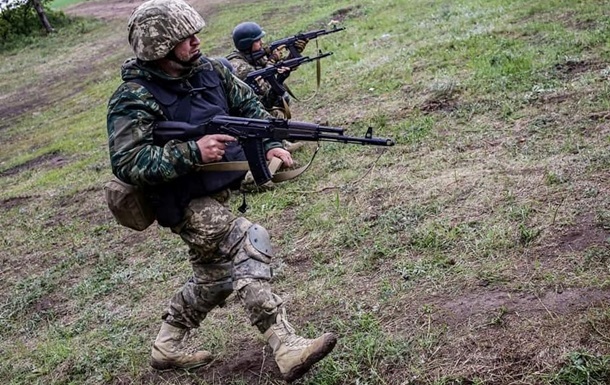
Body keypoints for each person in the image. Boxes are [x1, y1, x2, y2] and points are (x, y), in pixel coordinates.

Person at [105, 0, 337, 382]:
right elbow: (129, 162)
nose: (196, 41)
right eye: (185, 38)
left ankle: (167, 345)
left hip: (216, 190)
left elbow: (250, 109)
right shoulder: (133, 97)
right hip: (179, 198)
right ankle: (285, 344)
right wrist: (192, 151)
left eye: (195, 33)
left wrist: (270, 143)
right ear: (159, 46)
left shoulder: (212, 71)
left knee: (214, 279)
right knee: (248, 239)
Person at [227, 21, 307, 152]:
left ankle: (287, 134)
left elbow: (279, 69)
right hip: (241, 114)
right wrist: (272, 64)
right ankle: (279, 143)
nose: (262, 43)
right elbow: (264, 96)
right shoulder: (239, 66)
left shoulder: (253, 56)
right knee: (274, 101)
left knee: (281, 99)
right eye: (258, 41)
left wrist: (295, 52)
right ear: (247, 44)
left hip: (254, 106)